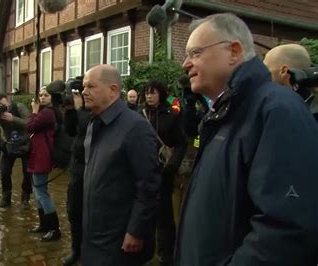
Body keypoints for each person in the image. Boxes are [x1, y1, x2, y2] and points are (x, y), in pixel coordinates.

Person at [177, 13, 318, 266]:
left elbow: (286, 228)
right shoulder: (222, 113)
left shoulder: (277, 111)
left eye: (195, 52)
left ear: (234, 51)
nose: (185, 64)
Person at [81, 64, 162, 265]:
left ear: (113, 91)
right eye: (83, 87)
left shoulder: (136, 127)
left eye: (91, 86)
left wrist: (135, 231)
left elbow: (149, 185)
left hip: (118, 242)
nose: (84, 92)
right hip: (94, 233)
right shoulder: (94, 123)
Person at [141, 80, 187, 266]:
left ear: (161, 94)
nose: (149, 96)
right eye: (146, 93)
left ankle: (166, 253)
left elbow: (182, 143)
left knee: (164, 215)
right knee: (144, 211)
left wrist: (173, 165)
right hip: (144, 172)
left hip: (163, 173)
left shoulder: (171, 115)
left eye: (152, 93)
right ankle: (145, 249)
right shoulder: (140, 115)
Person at [0, 93, 32, 209]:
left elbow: (30, 123)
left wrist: (12, 118)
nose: (3, 108)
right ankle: (6, 198)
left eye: (4, 105)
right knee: (4, 172)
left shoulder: (19, 107)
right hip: (8, 145)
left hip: (24, 144)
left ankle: (25, 198)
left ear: (8, 101)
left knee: (28, 173)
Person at [26, 86, 62, 242]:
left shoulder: (47, 113)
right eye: (40, 95)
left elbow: (29, 127)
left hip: (42, 156)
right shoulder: (44, 112)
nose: (42, 97)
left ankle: (54, 229)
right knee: (37, 191)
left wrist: (33, 111)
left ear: (52, 98)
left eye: (45, 95)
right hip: (37, 155)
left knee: (41, 192)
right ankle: (44, 225)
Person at [62, 82, 90, 266]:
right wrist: (70, 110)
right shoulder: (80, 111)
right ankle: (76, 249)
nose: (85, 93)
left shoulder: (98, 111)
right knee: (74, 210)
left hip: (94, 168)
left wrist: (81, 109)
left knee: (92, 212)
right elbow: (71, 130)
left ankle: (89, 250)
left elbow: (90, 128)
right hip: (77, 168)